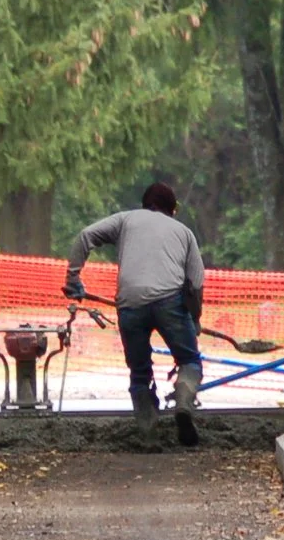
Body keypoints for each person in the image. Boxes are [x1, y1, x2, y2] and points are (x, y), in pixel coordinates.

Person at [65, 181, 207, 444]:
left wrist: (73, 278)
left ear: (145, 204)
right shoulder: (184, 232)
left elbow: (85, 236)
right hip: (170, 302)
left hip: (130, 305)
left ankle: (148, 434)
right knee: (190, 361)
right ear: (172, 209)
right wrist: (195, 319)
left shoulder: (126, 220)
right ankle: (184, 402)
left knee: (139, 372)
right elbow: (195, 284)